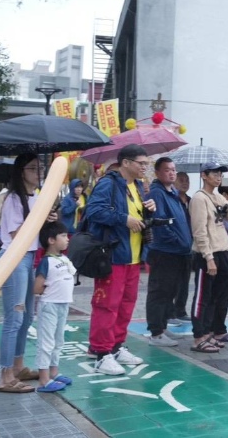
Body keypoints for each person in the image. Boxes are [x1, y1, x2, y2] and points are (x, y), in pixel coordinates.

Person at [85, 144, 154, 375]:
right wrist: (123, 219)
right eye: (141, 163)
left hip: (133, 257)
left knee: (126, 305)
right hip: (113, 256)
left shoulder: (138, 187)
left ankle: (116, 346)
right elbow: (93, 211)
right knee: (107, 305)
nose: (145, 167)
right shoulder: (108, 183)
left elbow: (138, 218)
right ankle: (101, 353)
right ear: (125, 162)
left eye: (146, 163)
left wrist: (149, 210)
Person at [0, 152, 48, 392]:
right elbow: (16, 235)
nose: (38, 173)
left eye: (40, 168)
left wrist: (48, 219)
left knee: (27, 317)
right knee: (14, 318)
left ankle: (18, 366)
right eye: (32, 168)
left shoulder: (36, 197)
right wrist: (38, 220)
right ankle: (5, 375)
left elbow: (36, 231)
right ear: (21, 172)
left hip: (29, 258)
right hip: (13, 258)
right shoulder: (14, 199)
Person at [188, 162, 228, 352]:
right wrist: (208, 257)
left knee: (214, 297)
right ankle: (198, 337)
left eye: (221, 174)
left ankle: (208, 333)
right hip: (208, 255)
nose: (219, 176)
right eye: (215, 173)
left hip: (223, 252)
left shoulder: (218, 197)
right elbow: (199, 231)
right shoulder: (199, 198)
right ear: (204, 175)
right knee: (202, 297)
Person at [144, 157, 192, 347]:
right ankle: (156, 333)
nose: (172, 173)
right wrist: (179, 241)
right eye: (167, 170)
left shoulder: (172, 193)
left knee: (170, 292)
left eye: (173, 169)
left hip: (178, 252)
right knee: (159, 292)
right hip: (164, 252)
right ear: (157, 173)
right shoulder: (157, 193)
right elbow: (160, 225)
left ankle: (163, 327)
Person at [33, 220, 76, 393]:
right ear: (51, 240)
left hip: (63, 304)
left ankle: (54, 372)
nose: (67, 239)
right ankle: (43, 379)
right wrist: (51, 292)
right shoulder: (46, 262)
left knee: (58, 340)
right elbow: (37, 287)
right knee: (46, 342)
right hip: (49, 305)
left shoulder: (64, 259)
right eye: (64, 236)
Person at [171, 171, 192, 323]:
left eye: (187, 180)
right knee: (173, 281)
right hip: (174, 246)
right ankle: (169, 312)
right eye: (181, 180)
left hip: (189, 246)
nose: (185, 183)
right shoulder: (173, 200)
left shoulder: (191, 201)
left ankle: (180, 310)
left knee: (185, 280)